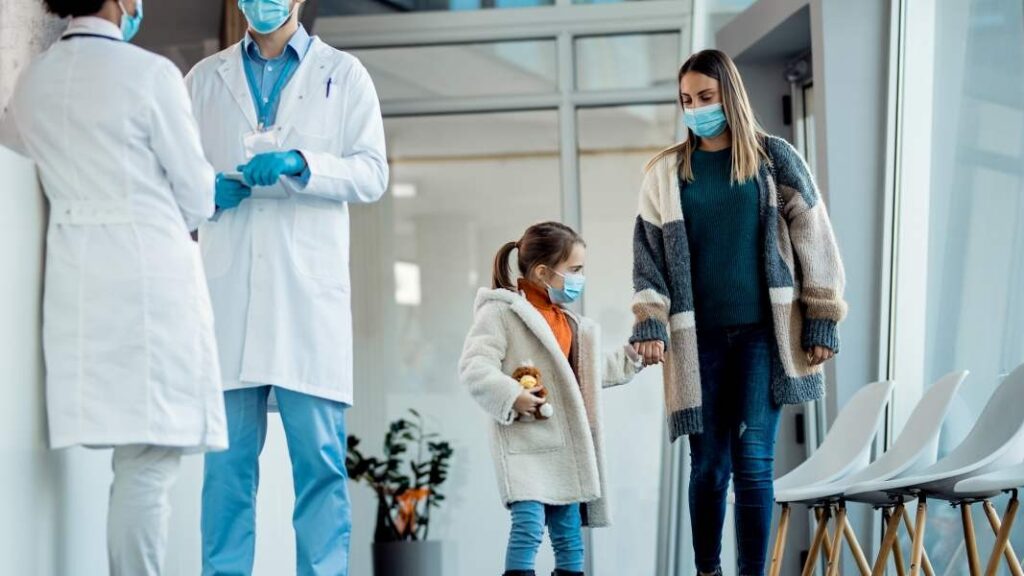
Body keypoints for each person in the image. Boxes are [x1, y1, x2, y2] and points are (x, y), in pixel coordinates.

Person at [0, 1, 226, 574]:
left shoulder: (35, 80)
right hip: (149, 277)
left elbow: (21, 144)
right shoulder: (149, 75)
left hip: (78, 280)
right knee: (149, 459)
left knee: (132, 453)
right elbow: (198, 195)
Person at [184, 0, 388, 574]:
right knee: (226, 470)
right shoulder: (203, 79)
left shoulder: (343, 74)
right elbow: (172, 172)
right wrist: (205, 191)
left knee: (319, 465)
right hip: (230, 298)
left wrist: (302, 162)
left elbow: (373, 173)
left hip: (306, 303)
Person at [630, 49, 847, 576]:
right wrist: (649, 321)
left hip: (762, 337)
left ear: (730, 94)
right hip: (696, 341)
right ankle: (708, 571)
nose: (696, 109)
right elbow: (647, 261)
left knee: (753, 466)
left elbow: (815, 238)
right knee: (709, 468)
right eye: (687, 100)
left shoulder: (775, 159)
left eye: (706, 97)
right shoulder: (665, 173)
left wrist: (822, 316)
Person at [460, 222, 644, 576]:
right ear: (543, 272)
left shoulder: (569, 322)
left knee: (569, 535)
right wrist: (512, 395)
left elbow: (588, 371)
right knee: (528, 527)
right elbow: (474, 367)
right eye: (574, 269)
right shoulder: (500, 314)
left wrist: (632, 357)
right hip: (527, 446)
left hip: (566, 449)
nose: (579, 278)